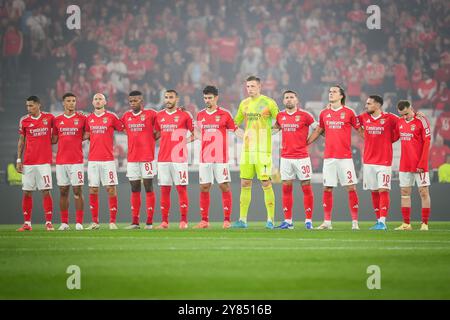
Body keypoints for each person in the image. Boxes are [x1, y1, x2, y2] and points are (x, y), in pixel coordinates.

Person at [307, 85, 361, 230]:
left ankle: (355, 222)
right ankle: (327, 222)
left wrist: (372, 141)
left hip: (345, 157)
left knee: (351, 187)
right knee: (328, 188)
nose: (331, 94)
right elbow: (319, 130)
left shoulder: (349, 112)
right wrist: (305, 143)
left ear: (341, 96)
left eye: (334, 92)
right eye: (330, 91)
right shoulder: (324, 113)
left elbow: (359, 129)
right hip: (329, 157)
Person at [232, 76, 279, 229]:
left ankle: (271, 220)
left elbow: (280, 122)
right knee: (245, 183)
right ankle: (242, 220)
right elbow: (234, 123)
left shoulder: (269, 103)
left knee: (265, 182)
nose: (250, 89)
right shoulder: (244, 104)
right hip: (247, 150)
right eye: (248, 86)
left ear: (260, 87)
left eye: (253, 86)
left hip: (263, 151)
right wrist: (242, 134)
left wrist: (268, 134)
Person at [194, 85, 238, 229]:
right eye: (205, 98)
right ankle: (204, 221)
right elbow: (196, 132)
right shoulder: (200, 114)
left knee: (223, 186)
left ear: (216, 98)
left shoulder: (225, 114)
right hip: (205, 157)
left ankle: (227, 220)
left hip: (221, 157)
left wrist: (247, 137)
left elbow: (235, 130)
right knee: (204, 186)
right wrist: (202, 138)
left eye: (210, 98)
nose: (207, 100)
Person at [273, 90, 316, 230]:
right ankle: (288, 221)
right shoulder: (280, 116)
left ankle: (308, 221)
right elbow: (274, 129)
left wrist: (308, 141)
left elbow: (319, 128)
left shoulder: (305, 115)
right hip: (285, 158)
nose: (289, 100)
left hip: (302, 157)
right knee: (286, 188)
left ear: (297, 100)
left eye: (292, 97)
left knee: (306, 187)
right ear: (283, 101)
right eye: (286, 98)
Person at [357, 95, 399, 230]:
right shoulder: (363, 117)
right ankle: (378, 221)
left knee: (383, 190)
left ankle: (382, 221)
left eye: (369, 103)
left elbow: (402, 125)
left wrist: (390, 139)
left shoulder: (390, 118)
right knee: (374, 191)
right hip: (368, 161)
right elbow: (350, 121)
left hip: (384, 161)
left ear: (378, 105)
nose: (366, 105)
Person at [154, 90, 194, 229]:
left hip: (179, 158)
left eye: (171, 97)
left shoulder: (184, 115)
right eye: (166, 97)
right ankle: (164, 222)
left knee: (181, 189)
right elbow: (156, 134)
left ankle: (184, 221)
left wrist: (185, 141)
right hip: (163, 159)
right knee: (164, 190)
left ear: (177, 98)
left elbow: (197, 133)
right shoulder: (159, 116)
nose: (168, 100)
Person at [84, 93, 124, 230]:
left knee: (110, 189)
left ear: (105, 101)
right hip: (93, 160)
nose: (98, 101)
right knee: (93, 189)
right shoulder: (88, 119)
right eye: (95, 99)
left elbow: (123, 128)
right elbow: (86, 135)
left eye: (100, 98)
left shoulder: (111, 117)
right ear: (92, 102)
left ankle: (112, 222)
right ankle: (95, 222)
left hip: (108, 160)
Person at [16, 96, 55, 231]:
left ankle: (48, 223)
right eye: (27, 106)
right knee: (27, 192)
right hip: (28, 162)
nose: (29, 108)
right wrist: (19, 160)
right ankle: (27, 223)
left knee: (46, 190)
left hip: (44, 162)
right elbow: (21, 141)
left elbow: (57, 132)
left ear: (39, 105)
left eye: (31, 106)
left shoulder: (49, 118)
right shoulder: (24, 120)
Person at [121, 91, 157, 230]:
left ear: (141, 100)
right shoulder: (126, 116)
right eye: (130, 101)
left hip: (147, 157)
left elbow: (161, 125)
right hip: (132, 158)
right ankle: (135, 222)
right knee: (134, 188)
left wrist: (153, 138)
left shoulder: (151, 114)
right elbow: (121, 127)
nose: (132, 103)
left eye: (135, 100)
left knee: (148, 187)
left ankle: (149, 222)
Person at [52, 93, 87, 231]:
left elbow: (88, 134)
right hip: (61, 161)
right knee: (63, 191)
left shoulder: (82, 118)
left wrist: (77, 139)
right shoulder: (57, 120)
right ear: (63, 103)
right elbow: (54, 139)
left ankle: (79, 222)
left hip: (77, 161)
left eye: (73, 101)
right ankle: (64, 223)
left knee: (77, 190)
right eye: (68, 101)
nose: (71, 103)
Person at [396, 100, 432, 231]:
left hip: (419, 164)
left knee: (423, 192)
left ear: (411, 108)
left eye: (406, 113)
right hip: (405, 164)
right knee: (404, 193)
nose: (404, 117)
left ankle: (425, 223)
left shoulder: (422, 120)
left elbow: (427, 142)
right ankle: (406, 224)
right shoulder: (399, 122)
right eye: (401, 114)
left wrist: (422, 163)